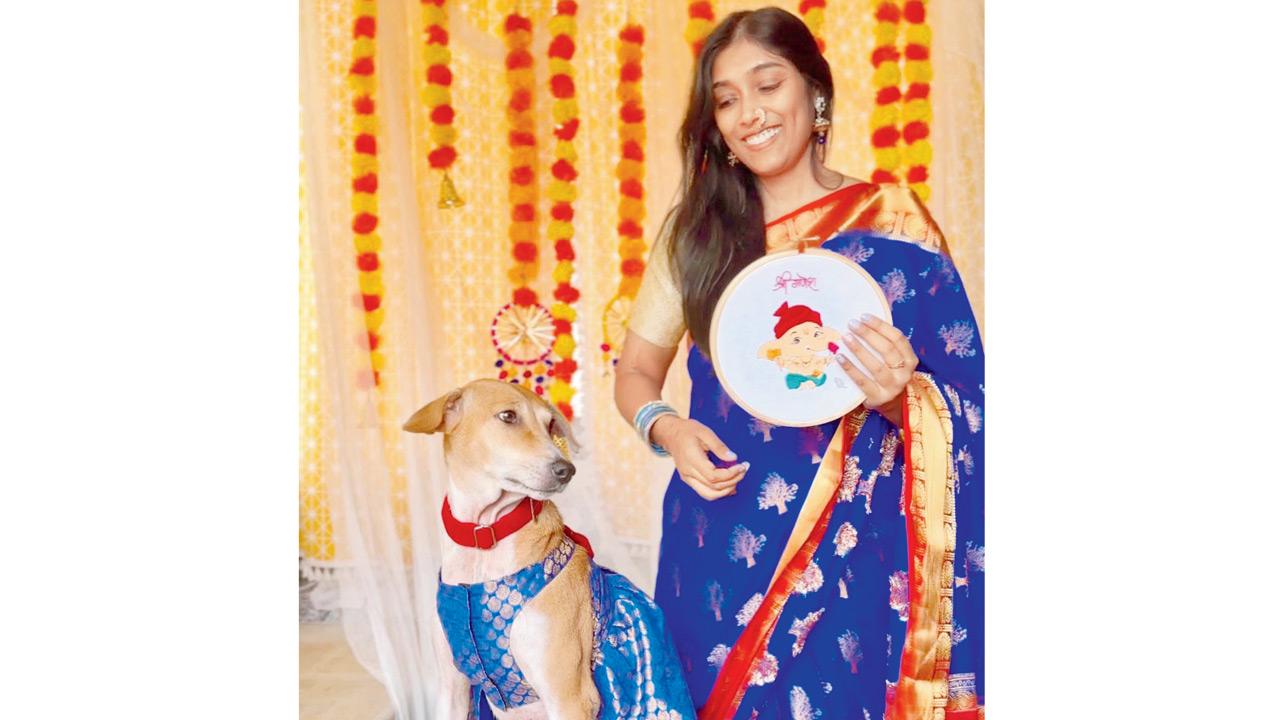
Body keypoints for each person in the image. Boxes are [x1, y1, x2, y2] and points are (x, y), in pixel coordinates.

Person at [613, 8, 984, 720]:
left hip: (861, 548)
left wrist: (900, 397)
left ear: (814, 91)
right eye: (726, 100)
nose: (749, 114)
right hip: (718, 535)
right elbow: (634, 374)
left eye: (767, 85)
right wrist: (668, 429)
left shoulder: (894, 222)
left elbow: (971, 396)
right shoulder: (695, 235)